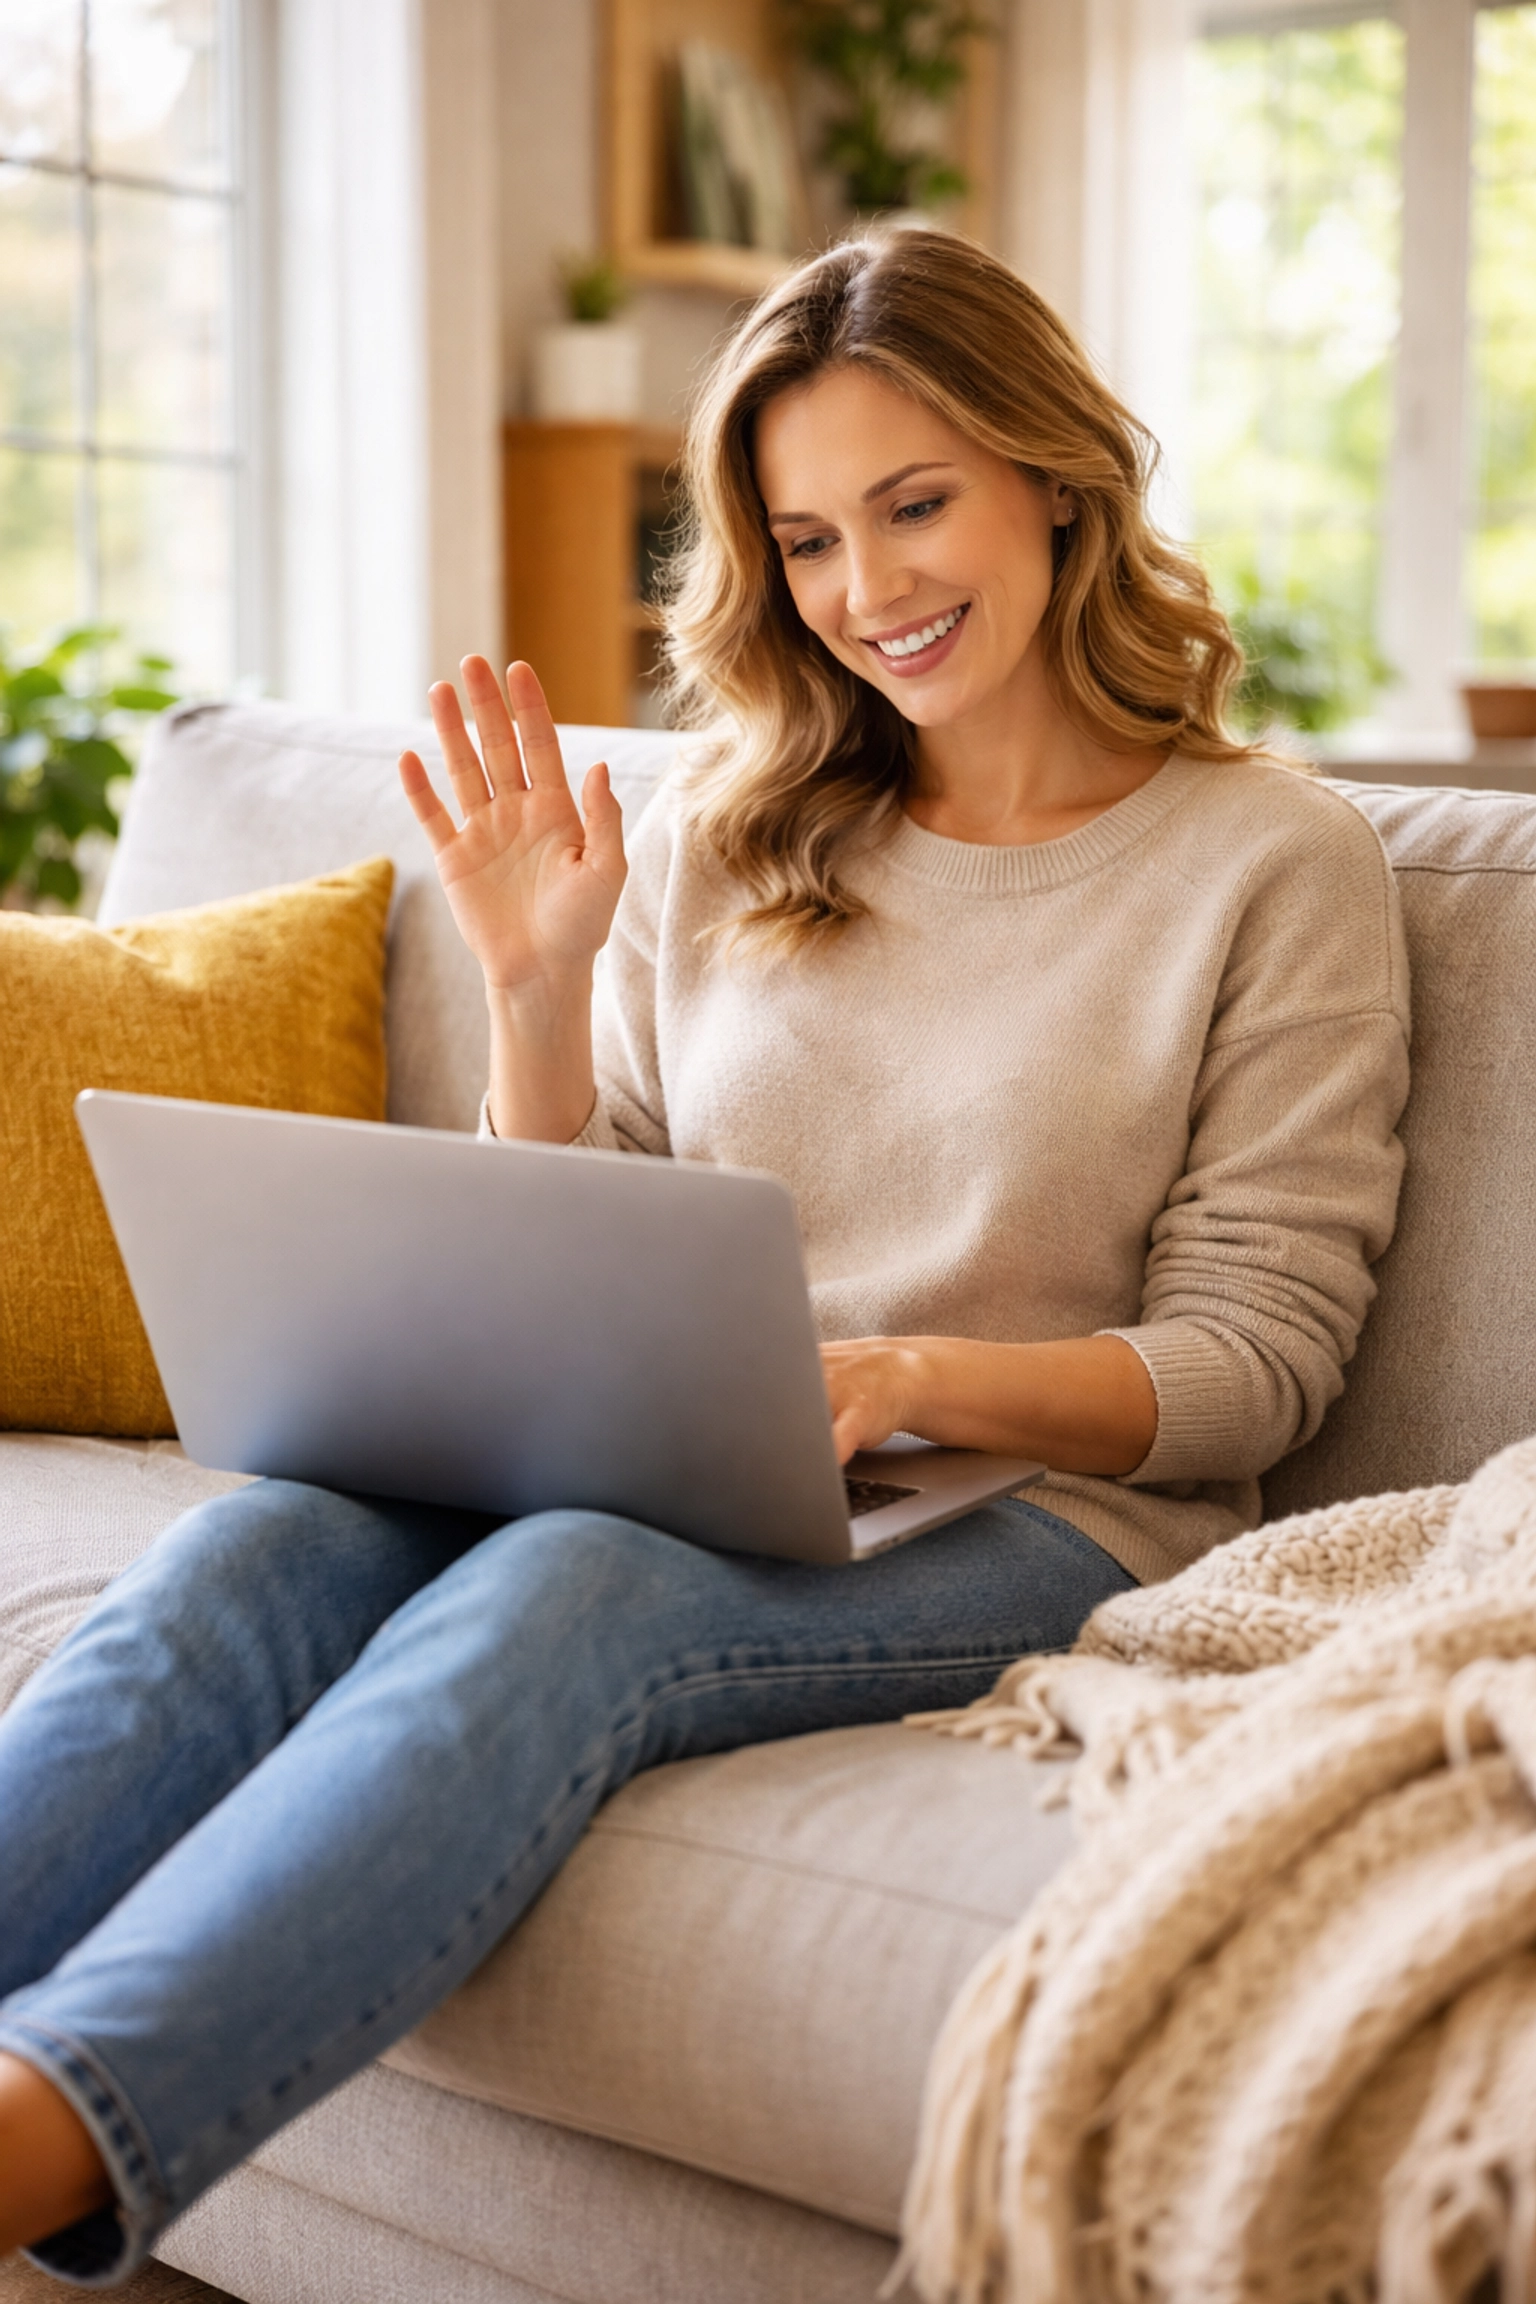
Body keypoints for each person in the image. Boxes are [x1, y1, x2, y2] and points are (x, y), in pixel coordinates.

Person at [0, 228, 1408, 2284]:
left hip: (1050, 1502)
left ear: (1056, 477)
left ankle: (37, 2149)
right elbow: (600, 1212)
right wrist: (536, 990)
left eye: (917, 505)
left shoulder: (1272, 861)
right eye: (810, 538)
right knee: (258, 1546)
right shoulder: (738, 828)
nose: (870, 591)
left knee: (573, 1590)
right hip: (677, 1448)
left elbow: (1259, 1355)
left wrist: (907, 1379)